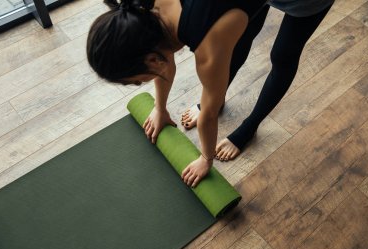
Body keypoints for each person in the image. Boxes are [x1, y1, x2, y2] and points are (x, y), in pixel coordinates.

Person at [87, 0, 334, 187]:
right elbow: (164, 56)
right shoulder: (141, 9)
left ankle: (249, 128)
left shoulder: (206, 41)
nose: (140, 84)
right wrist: (160, 108)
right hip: (222, 9)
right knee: (239, 32)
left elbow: (209, 115)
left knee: (282, 55)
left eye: (138, 81)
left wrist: (206, 158)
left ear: (152, 60)